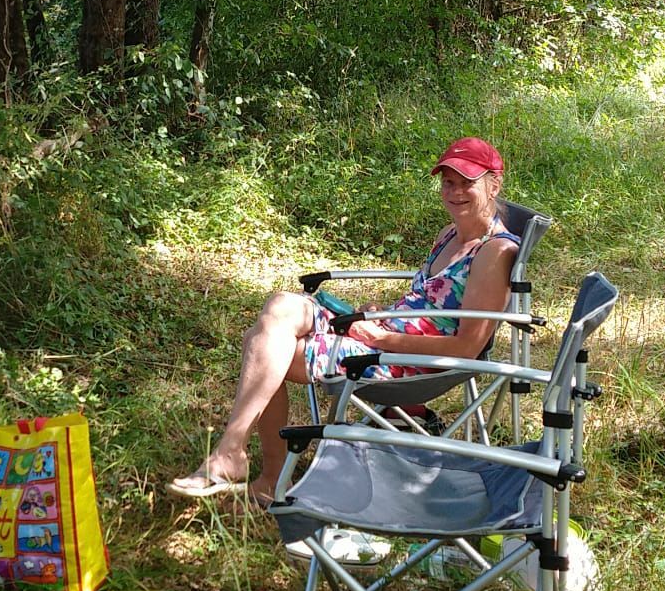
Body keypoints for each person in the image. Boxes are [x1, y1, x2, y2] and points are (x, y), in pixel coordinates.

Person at [167, 136, 520, 505]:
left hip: (406, 363)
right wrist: (381, 316)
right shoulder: (449, 233)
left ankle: (255, 470)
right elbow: (427, 303)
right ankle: (235, 453)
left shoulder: (494, 252)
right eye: (449, 182)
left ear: (494, 184)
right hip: (384, 333)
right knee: (281, 307)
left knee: (268, 347)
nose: (456, 191)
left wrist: (381, 338)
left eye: (468, 182)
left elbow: (467, 346)